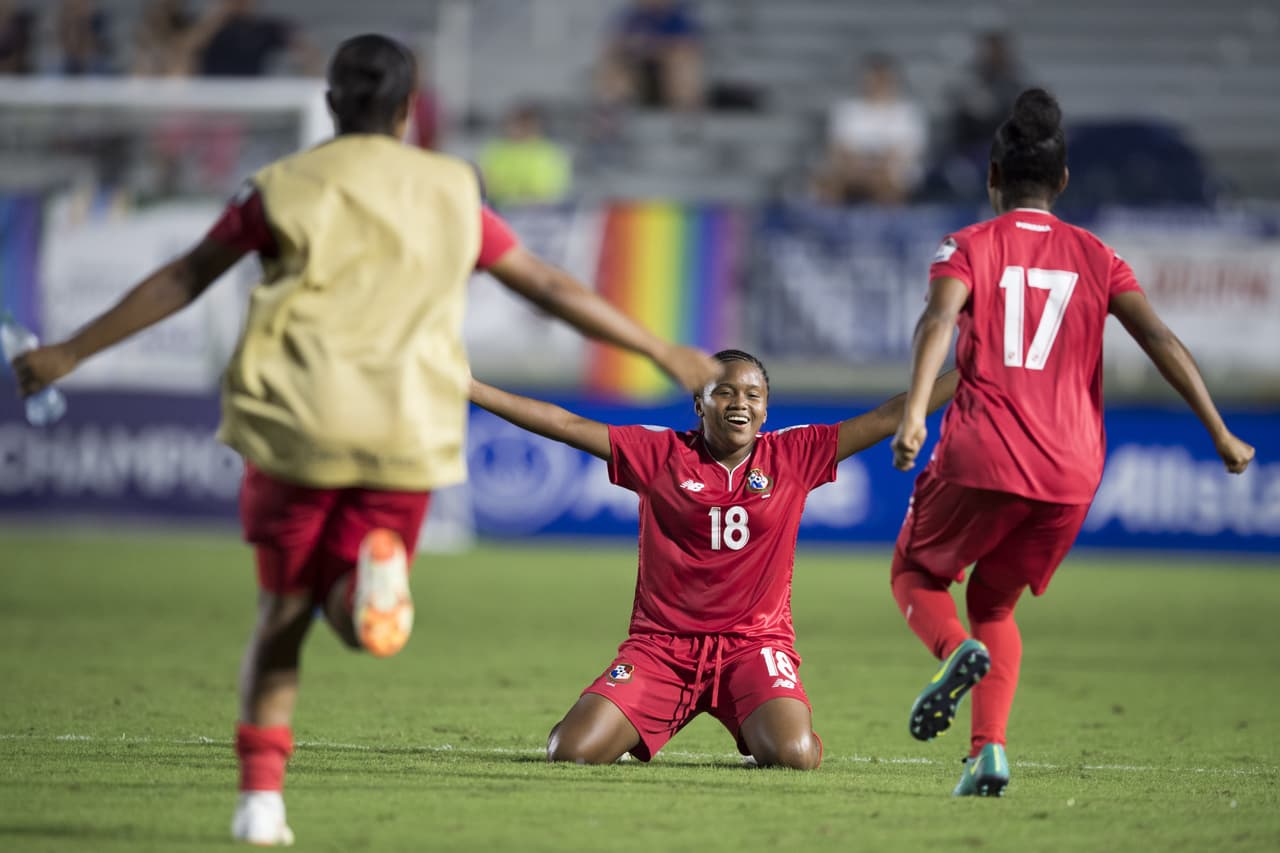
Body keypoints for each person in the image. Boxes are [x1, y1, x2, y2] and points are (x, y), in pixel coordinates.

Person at [10, 34, 720, 846]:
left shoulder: (280, 188)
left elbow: (184, 275)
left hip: (297, 421)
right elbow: (549, 285)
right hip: (405, 428)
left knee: (282, 613)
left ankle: (260, 801)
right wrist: (663, 350)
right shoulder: (452, 188)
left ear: (330, 102)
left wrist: (70, 350)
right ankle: (365, 588)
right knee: (356, 604)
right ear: (410, 108)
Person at [888, 88, 1255, 798]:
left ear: (991, 175)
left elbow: (937, 322)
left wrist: (913, 416)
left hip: (985, 448)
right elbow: (1159, 338)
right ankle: (987, 752)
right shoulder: (1097, 254)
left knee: (916, 574)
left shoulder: (966, 245)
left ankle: (951, 649)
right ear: (1062, 182)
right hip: (1072, 471)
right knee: (995, 603)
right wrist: (1220, 431)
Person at [471, 351, 958, 769]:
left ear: (766, 409)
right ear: (699, 403)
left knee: (794, 755)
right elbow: (566, 424)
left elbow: (889, 414)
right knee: (569, 752)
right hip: (661, 649)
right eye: (724, 392)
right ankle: (628, 721)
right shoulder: (659, 453)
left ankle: (768, 724)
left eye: (752, 395)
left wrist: (973, 369)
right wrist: (470, 387)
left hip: (753, 647)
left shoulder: (795, 454)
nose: (740, 404)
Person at [816, 54, 927, 206]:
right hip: (853, 167)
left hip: (892, 170)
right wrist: (859, 168)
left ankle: (889, 223)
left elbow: (905, 153)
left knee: (887, 182)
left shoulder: (906, 113)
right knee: (829, 181)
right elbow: (840, 148)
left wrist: (876, 168)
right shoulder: (848, 110)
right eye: (872, 78)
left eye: (881, 78)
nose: (876, 83)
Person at [478, 103, 572, 206]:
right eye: (512, 124)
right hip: (499, 207)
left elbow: (550, 190)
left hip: (541, 211)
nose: (514, 128)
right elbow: (486, 182)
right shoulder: (496, 150)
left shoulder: (549, 153)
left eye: (521, 124)